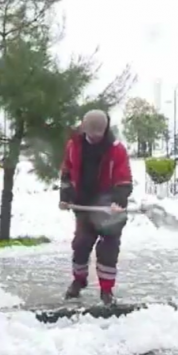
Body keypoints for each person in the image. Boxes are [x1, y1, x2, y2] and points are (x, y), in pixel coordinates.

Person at [58, 109, 133, 305]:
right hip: (84, 204)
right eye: (92, 134)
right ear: (84, 129)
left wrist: (119, 201)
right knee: (81, 244)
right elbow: (67, 173)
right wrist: (66, 196)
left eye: (99, 134)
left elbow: (124, 178)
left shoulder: (116, 149)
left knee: (108, 249)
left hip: (109, 207)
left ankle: (106, 290)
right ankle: (78, 280)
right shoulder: (74, 146)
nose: (95, 137)